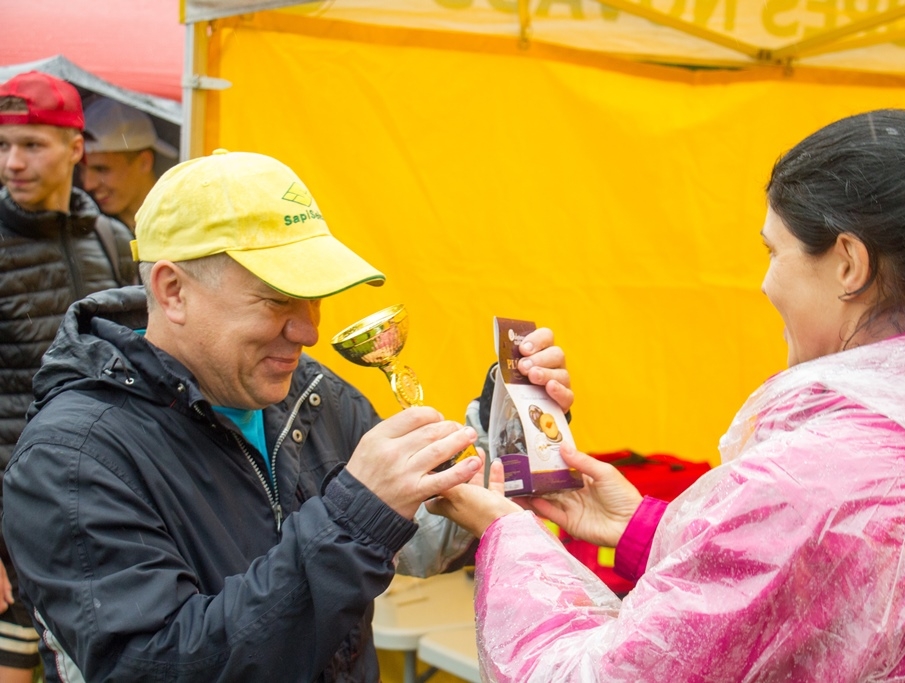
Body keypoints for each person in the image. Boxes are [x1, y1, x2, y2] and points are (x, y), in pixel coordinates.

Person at [430, 109, 905, 681]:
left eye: (773, 251)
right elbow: (809, 582)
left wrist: (512, 536)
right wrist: (641, 525)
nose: (765, 283)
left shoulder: (811, 478)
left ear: (849, 264)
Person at [1, 147, 572, 682]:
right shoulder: (73, 458)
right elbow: (158, 665)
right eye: (277, 298)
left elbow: (419, 540)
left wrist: (513, 430)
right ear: (172, 289)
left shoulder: (316, 393)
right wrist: (354, 519)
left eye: (314, 296)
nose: (309, 329)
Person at [0, 70, 137, 683]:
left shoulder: (111, 239)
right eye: (3, 146)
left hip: (101, 510)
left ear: (76, 147)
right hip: (14, 522)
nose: (13, 162)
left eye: (32, 144)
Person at [81, 97, 179, 231]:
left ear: (144, 162)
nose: (88, 184)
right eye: (81, 170)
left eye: (101, 169)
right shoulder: (88, 229)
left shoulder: (183, 223)